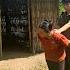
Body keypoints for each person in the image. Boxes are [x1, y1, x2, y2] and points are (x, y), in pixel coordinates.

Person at [54, 0, 70, 70]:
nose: (65, 5)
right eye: (64, 4)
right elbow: (57, 25)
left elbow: (69, 24)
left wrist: (59, 31)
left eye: (67, 3)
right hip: (63, 41)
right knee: (65, 59)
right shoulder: (62, 15)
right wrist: (54, 31)